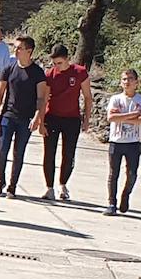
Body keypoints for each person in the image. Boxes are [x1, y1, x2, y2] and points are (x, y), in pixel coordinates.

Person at [0, 35, 48, 198]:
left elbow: (41, 97)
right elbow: (0, 92)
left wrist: (38, 116)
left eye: (19, 48)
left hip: (26, 118)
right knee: (2, 149)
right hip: (8, 115)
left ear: (29, 51)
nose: (15, 51)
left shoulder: (37, 73)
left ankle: (12, 186)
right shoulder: (9, 69)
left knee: (19, 152)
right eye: (15, 47)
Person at [41, 42, 93, 201]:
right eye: (55, 63)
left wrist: (86, 119)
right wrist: (41, 122)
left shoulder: (79, 72)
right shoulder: (50, 74)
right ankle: (49, 188)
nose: (57, 66)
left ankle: (63, 184)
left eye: (60, 63)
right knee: (49, 153)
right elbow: (43, 99)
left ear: (67, 59)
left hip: (72, 118)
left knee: (68, 154)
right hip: (52, 117)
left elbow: (88, 97)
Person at [104, 69, 141, 215]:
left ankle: (125, 195)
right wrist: (133, 114)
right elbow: (111, 118)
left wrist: (122, 116)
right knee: (113, 173)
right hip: (116, 141)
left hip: (133, 142)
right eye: (124, 79)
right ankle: (112, 203)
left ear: (136, 82)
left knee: (132, 174)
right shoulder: (115, 99)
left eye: (130, 79)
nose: (127, 81)